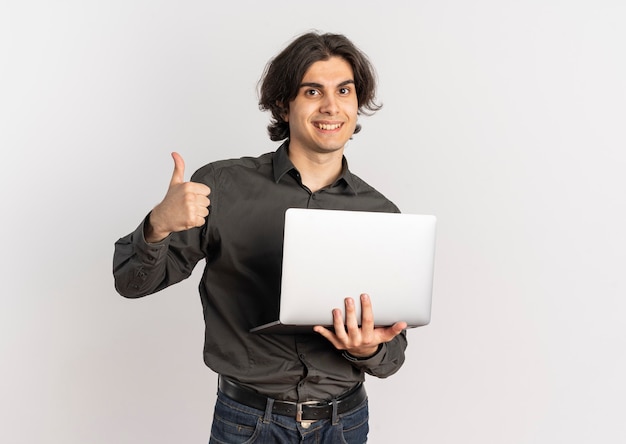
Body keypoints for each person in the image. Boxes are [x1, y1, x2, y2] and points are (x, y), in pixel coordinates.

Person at [113, 31, 408, 443]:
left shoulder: (382, 215)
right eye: (312, 91)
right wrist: (158, 224)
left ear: (357, 104)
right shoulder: (221, 185)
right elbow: (130, 283)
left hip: (345, 426)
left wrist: (367, 350)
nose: (331, 106)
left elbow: (392, 355)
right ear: (284, 105)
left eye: (344, 90)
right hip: (248, 425)